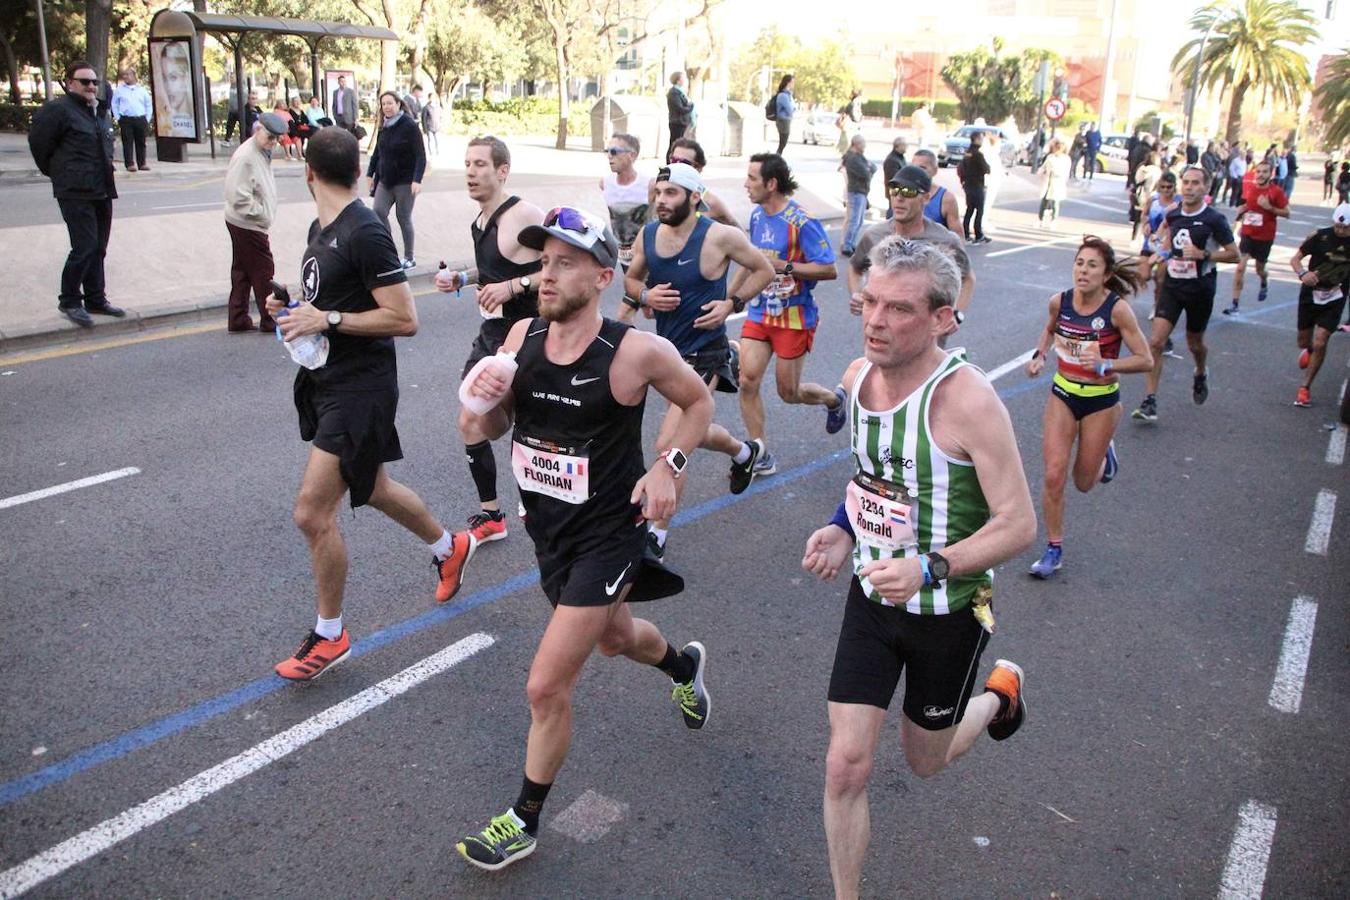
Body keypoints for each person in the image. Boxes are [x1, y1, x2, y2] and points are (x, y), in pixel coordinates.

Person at [451, 206, 714, 871]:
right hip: (551, 531)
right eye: (543, 261)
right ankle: (684, 667)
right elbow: (481, 429)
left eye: (565, 263)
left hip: (610, 532)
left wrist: (669, 465)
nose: (548, 274)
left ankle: (523, 820)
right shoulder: (518, 338)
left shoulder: (634, 353)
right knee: (616, 638)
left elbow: (699, 403)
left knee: (545, 687)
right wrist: (482, 404)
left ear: (601, 276)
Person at [802, 237, 1035, 900]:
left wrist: (932, 568)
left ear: (941, 318)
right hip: (873, 600)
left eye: (898, 308)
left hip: (949, 611)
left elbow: (1018, 525)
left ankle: (997, 697)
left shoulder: (969, 401)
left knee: (925, 760)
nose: (875, 319)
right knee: (845, 765)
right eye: (870, 301)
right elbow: (872, 481)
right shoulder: (856, 378)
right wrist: (843, 529)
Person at [265, 127, 469, 681]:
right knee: (373, 487)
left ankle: (330, 636)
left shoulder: (366, 231)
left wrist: (327, 319)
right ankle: (449, 546)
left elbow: (405, 318)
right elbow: (327, 299)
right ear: (358, 171)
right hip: (329, 381)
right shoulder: (321, 227)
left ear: (307, 172)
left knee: (312, 512)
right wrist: (293, 305)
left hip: (362, 388)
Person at [621, 163, 776, 556]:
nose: (661, 201)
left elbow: (764, 269)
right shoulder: (650, 233)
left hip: (705, 353)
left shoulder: (719, 236)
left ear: (694, 197)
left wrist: (732, 304)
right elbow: (632, 280)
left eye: (671, 193)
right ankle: (745, 452)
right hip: (666, 355)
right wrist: (645, 298)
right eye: (658, 193)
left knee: (669, 444)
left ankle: (655, 535)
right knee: (696, 433)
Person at [434, 136, 545, 544]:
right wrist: (463, 278)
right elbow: (494, 269)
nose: (470, 171)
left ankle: (541, 499)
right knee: (470, 416)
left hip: (530, 333)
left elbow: (561, 266)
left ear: (502, 171)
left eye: (480, 164)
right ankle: (491, 515)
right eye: (467, 163)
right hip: (495, 334)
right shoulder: (480, 222)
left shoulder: (523, 215)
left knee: (528, 424)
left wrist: (515, 287)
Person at [1024, 238, 1152, 578]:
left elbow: (1146, 360)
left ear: (1106, 274)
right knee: (1053, 475)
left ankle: (1105, 455)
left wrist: (1108, 363)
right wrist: (1040, 356)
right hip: (1063, 394)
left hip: (1101, 401)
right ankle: (1053, 548)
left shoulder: (1117, 310)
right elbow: (1049, 331)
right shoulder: (1060, 302)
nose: (1083, 270)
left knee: (1083, 482)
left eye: (1092, 265)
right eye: (1080, 263)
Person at [731, 153, 842, 476]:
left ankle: (833, 400)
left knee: (788, 393)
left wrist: (786, 267)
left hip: (794, 317)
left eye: (752, 178)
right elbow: (750, 261)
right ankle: (760, 452)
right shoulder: (756, 216)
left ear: (771, 183)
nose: (746, 184)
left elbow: (829, 268)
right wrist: (728, 301)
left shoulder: (801, 222)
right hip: (760, 312)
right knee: (747, 380)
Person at [1132, 166, 1239, 422]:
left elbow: (1234, 254)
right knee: (1156, 342)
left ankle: (1201, 371)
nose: (1189, 187)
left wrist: (1204, 255)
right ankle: (1150, 401)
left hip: (1200, 289)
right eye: (1186, 183)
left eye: (1195, 183)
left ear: (1205, 188)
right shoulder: (1174, 213)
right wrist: (1159, 248)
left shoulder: (1214, 219)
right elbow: (1162, 239)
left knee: (1195, 343)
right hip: (1173, 285)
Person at [28, 60, 125, 329]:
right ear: (70, 83)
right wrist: (60, 173)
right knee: (84, 246)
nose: (91, 86)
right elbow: (39, 145)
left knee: (99, 248)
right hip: (75, 190)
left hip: (102, 188)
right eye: (85, 82)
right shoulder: (59, 110)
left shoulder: (98, 111)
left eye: (94, 82)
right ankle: (70, 300)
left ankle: (96, 298)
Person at [848, 165, 975, 339]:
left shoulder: (945, 240)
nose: (899, 198)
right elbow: (855, 268)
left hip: (925, 340)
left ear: (926, 198)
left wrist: (956, 313)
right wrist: (857, 294)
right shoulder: (874, 235)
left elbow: (967, 278)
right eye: (895, 190)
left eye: (908, 192)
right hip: (882, 334)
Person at [224, 113, 287, 333]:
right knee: (263, 271)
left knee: (242, 272)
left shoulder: (259, 151)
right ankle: (270, 319)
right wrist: (261, 214)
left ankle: (238, 318)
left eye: (277, 139)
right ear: (257, 130)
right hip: (248, 223)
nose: (273, 142)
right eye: (270, 137)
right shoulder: (247, 156)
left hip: (243, 222)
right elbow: (237, 196)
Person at [1290, 204, 1350, 407]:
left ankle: (1304, 388)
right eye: (1338, 227)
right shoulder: (1319, 236)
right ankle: (1308, 350)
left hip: (1335, 296)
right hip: (1311, 294)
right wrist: (1303, 274)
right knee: (1304, 341)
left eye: (1346, 228)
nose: (1341, 231)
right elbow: (1296, 259)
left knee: (1321, 340)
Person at [366, 91, 426, 269]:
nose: (387, 107)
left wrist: (417, 179)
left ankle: (409, 257)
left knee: (403, 217)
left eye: (390, 103)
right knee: (378, 212)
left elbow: (420, 155)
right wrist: (370, 174)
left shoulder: (409, 125)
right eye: (384, 104)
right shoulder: (384, 125)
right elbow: (377, 152)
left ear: (398, 104)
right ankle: (390, 251)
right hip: (385, 180)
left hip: (405, 182)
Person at [1223, 159, 1288, 316]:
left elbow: (1287, 212)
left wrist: (1270, 208)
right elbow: (1248, 206)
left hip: (1265, 236)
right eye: (1258, 171)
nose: (1260, 174)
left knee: (1260, 269)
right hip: (1248, 234)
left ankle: (1265, 280)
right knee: (1240, 267)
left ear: (1271, 174)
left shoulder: (1276, 192)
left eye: (1265, 172)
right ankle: (1235, 304)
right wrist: (1242, 211)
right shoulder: (1250, 188)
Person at [599, 132, 651, 271]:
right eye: (607, 151)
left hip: (646, 258)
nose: (610, 156)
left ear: (632, 155)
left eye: (614, 151)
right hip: (619, 255)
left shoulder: (649, 184)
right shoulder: (605, 183)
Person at [660, 137, 739, 227]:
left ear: (698, 168)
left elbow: (736, 227)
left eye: (684, 163)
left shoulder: (710, 202)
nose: (677, 166)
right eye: (674, 160)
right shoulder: (659, 191)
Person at [912, 149, 963, 236]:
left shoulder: (946, 199)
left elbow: (959, 238)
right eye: (914, 168)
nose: (917, 172)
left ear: (935, 170)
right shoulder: (901, 194)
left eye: (922, 168)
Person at [111, 67, 152, 173]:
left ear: (134, 76)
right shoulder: (119, 90)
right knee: (127, 141)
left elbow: (148, 105)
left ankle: (142, 163)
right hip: (126, 119)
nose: (125, 77)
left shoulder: (142, 90)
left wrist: (147, 118)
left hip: (140, 118)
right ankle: (129, 164)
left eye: (128, 74)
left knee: (141, 141)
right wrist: (118, 117)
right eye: (124, 75)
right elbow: (114, 104)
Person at [840, 135, 876, 257]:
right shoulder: (853, 158)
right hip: (856, 191)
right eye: (863, 143)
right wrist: (868, 169)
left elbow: (872, 167)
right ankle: (847, 245)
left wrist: (869, 168)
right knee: (854, 220)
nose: (865, 146)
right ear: (856, 144)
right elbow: (865, 173)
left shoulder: (859, 157)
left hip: (861, 191)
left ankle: (851, 243)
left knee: (859, 220)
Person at [153, 41, 194, 137]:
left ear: (185, 78)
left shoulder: (190, 125)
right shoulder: (166, 120)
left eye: (173, 77)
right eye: (164, 78)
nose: (168, 87)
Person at [958, 131, 990, 244]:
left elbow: (961, 167)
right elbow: (986, 169)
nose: (982, 141)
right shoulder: (978, 154)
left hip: (968, 184)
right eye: (981, 139)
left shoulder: (967, 152)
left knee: (969, 209)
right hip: (977, 184)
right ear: (976, 139)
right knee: (979, 210)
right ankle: (978, 234)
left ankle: (966, 233)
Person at [1037, 138, 1071, 228]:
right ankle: (1040, 219)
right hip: (1048, 182)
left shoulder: (1066, 159)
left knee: (1055, 202)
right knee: (1044, 201)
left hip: (1057, 183)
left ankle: (1053, 220)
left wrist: (1056, 172)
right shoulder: (1050, 157)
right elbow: (1043, 167)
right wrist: (1041, 172)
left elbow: (1066, 172)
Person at [1130, 151, 1162, 240]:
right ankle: (1145, 238)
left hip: (1139, 196)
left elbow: (1136, 181)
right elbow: (1154, 185)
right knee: (1148, 219)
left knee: (1137, 220)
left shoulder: (1141, 169)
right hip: (1150, 197)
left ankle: (1134, 238)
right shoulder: (1156, 171)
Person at [666, 71, 694, 154]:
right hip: (676, 122)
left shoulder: (681, 92)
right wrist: (690, 107)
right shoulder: (674, 92)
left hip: (681, 122)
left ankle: (675, 161)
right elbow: (679, 108)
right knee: (674, 144)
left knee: (678, 144)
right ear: (677, 80)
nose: (684, 80)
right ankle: (670, 163)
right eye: (682, 78)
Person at [882, 137, 908, 216]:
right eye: (904, 145)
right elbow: (894, 179)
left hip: (900, 192)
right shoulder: (892, 160)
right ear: (897, 146)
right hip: (894, 193)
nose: (906, 147)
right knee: (893, 213)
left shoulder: (900, 157)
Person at [772, 74, 795, 156]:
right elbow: (790, 109)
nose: (793, 84)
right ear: (787, 82)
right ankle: (777, 157)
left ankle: (777, 157)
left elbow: (792, 107)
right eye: (792, 82)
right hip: (783, 120)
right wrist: (792, 111)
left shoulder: (788, 94)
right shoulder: (783, 95)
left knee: (783, 142)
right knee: (783, 142)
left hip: (786, 120)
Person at [836, 89, 862, 156]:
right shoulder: (853, 104)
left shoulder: (853, 104)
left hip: (847, 128)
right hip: (849, 127)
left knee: (846, 147)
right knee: (849, 146)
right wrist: (858, 120)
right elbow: (854, 117)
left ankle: (846, 159)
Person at [422, 90, 441, 156]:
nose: (433, 99)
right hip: (429, 126)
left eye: (434, 97)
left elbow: (440, 117)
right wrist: (425, 129)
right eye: (431, 97)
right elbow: (423, 118)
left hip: (437, 126)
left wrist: (441, 124)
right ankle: (431, 153)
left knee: (437, 141)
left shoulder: (438, 107)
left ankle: (437, 152)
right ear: (429, 98)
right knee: (431, 141)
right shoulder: (426, 107)